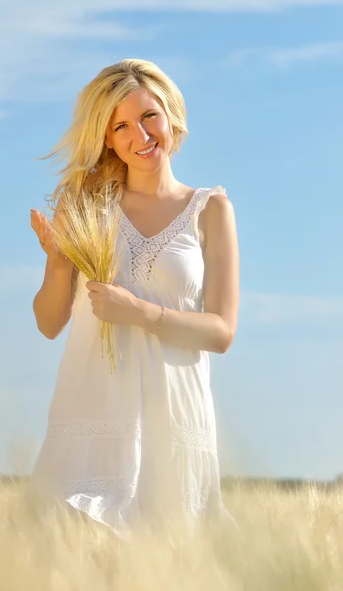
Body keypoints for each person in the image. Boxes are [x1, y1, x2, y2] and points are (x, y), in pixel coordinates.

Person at [29, 59, 239, 539]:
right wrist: (61, 262)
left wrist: (140, 312)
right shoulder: (84, 205)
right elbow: (48, 322)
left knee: (164, 559)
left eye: (149, 117)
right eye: (120, 126)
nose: (140, 135)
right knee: (76, 552)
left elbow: (222, 332)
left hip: (175, 415)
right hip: (93, 410)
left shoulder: (211, 211)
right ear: (106, 138)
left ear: (171, 116)